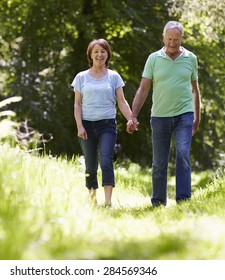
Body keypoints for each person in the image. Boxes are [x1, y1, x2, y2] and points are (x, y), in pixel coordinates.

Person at [127, 21, 201, 207]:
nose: (172, 42)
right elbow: (143, 89)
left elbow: (195, 90)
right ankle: (158, 201)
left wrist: (197, 117)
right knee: (159, 162)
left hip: (185, 114)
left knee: (183, 153)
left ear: (182, 38)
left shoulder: (191, 58)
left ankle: (184, 199)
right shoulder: (154, 59)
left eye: (176, 39)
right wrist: (133, 115)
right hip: (160, 116)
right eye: (169, 39)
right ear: (163, 37)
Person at [72, 38, 133, 207]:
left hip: (107, 124)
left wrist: (131, 118)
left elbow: (121, 101)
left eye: (103, 51)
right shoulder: (81, 77)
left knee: (106, 160)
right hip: (87, 124)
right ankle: (93, 201)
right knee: (91, 164)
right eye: (96, 52)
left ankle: (108, 202)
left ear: (108, 54)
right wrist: (79, 126)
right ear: (90, 55)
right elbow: (77, 104)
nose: (100, 54)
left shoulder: (114, 77)